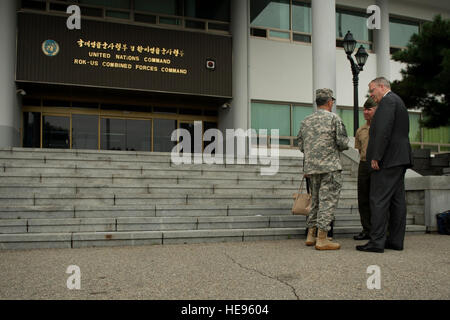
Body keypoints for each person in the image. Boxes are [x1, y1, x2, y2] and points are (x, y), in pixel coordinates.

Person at [356, 77, 413, 253]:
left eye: (373, 90)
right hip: (399, 158)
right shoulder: (398, 101)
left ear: (382, 86)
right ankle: (395, 241)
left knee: (378, 199)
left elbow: (383, 131)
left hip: (388, 159)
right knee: (397, 201)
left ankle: (376, 242)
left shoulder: (388, 101)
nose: (371, 95)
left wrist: (377, 156)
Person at [297, 88, 349, 250]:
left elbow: (300, 145)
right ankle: (322, 238)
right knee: (327, 202)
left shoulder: (306, 120)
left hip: (312, 168)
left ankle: (310, 235)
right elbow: (343, 143)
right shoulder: (334, 118)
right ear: (330, 102)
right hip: (330, 167)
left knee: (315, 202)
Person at [353, 97, 377, 240]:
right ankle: (366, 229)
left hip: (378, 165)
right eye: (364, 109)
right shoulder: (360, 130)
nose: (366, 112)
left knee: (377, 199)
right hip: (364, 164)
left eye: (369, 109)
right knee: (363, 199)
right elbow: (359, 149)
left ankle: (379, 230)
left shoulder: (381, 127)